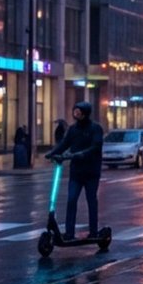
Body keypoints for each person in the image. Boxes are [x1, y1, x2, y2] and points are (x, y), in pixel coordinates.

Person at [46, 101, 105, 240]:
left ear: (85, 113)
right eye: (75, 112)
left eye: (78, 112)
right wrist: (52, 153)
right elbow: (64, 144)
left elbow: (96, 146)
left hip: (91, 171)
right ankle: (69, 232)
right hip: (76, 172)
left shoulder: (95, 128)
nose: (76, 114)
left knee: (91, 200)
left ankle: (93, 231)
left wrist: (82, 154)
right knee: (71, 200)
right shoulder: (73, 129)